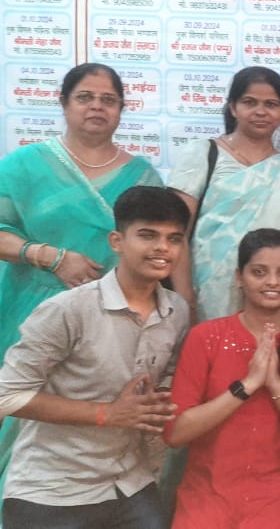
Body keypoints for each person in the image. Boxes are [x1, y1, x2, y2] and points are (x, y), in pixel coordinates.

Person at [0, 63, 163, 485]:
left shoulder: (143, 177)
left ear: (122, 109)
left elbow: (158, 246)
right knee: (17, 413)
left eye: (109, 100)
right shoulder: (24, 166)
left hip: (109, 321)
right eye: (85, 98)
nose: (97, 107)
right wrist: (50, 256)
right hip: (29, 311)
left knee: (95, 419)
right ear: (64, 103)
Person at [0, 186, 191, 529]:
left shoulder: (176, 311)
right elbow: (6, 395)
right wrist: (107, 413)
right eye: (148, 235)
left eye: (173, 239)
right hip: (52, 490)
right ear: (117, 241)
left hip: (129, 483)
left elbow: (164, 382)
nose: (162, 248)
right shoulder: (68, 310)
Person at [164, 229, 280, 528]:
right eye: (259, 272)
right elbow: (175, 432)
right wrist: (246, 386)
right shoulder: (207, 337)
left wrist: (275, 384)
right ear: (239, 277)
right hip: (206, 498)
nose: (272, 282)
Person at [169, 66, 280, 322]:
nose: (260, 111)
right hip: (202, 292)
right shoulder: (201, 154)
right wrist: (185, 297)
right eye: (250, 102)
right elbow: (176, 233)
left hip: (269, 295)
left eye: (271, 104)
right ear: (233, 107)